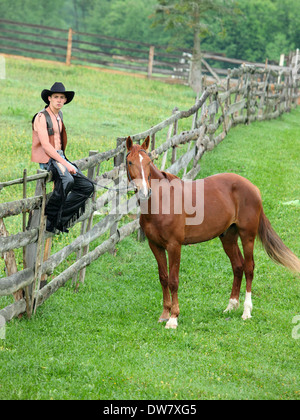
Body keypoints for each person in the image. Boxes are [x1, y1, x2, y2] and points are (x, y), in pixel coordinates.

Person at [31, 82, 94, 233]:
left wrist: (65, 161)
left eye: (62, 97)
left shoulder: (59, 115)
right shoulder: (41, 117)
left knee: (87, 187)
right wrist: (66, 164)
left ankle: (60, 219)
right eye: (56, 97)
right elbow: (46, 146)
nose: (59, 100)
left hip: (59, 157)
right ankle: (49, 219)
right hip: (48, 159)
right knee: (68, 180)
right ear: (49, 98)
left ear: (65, 100)